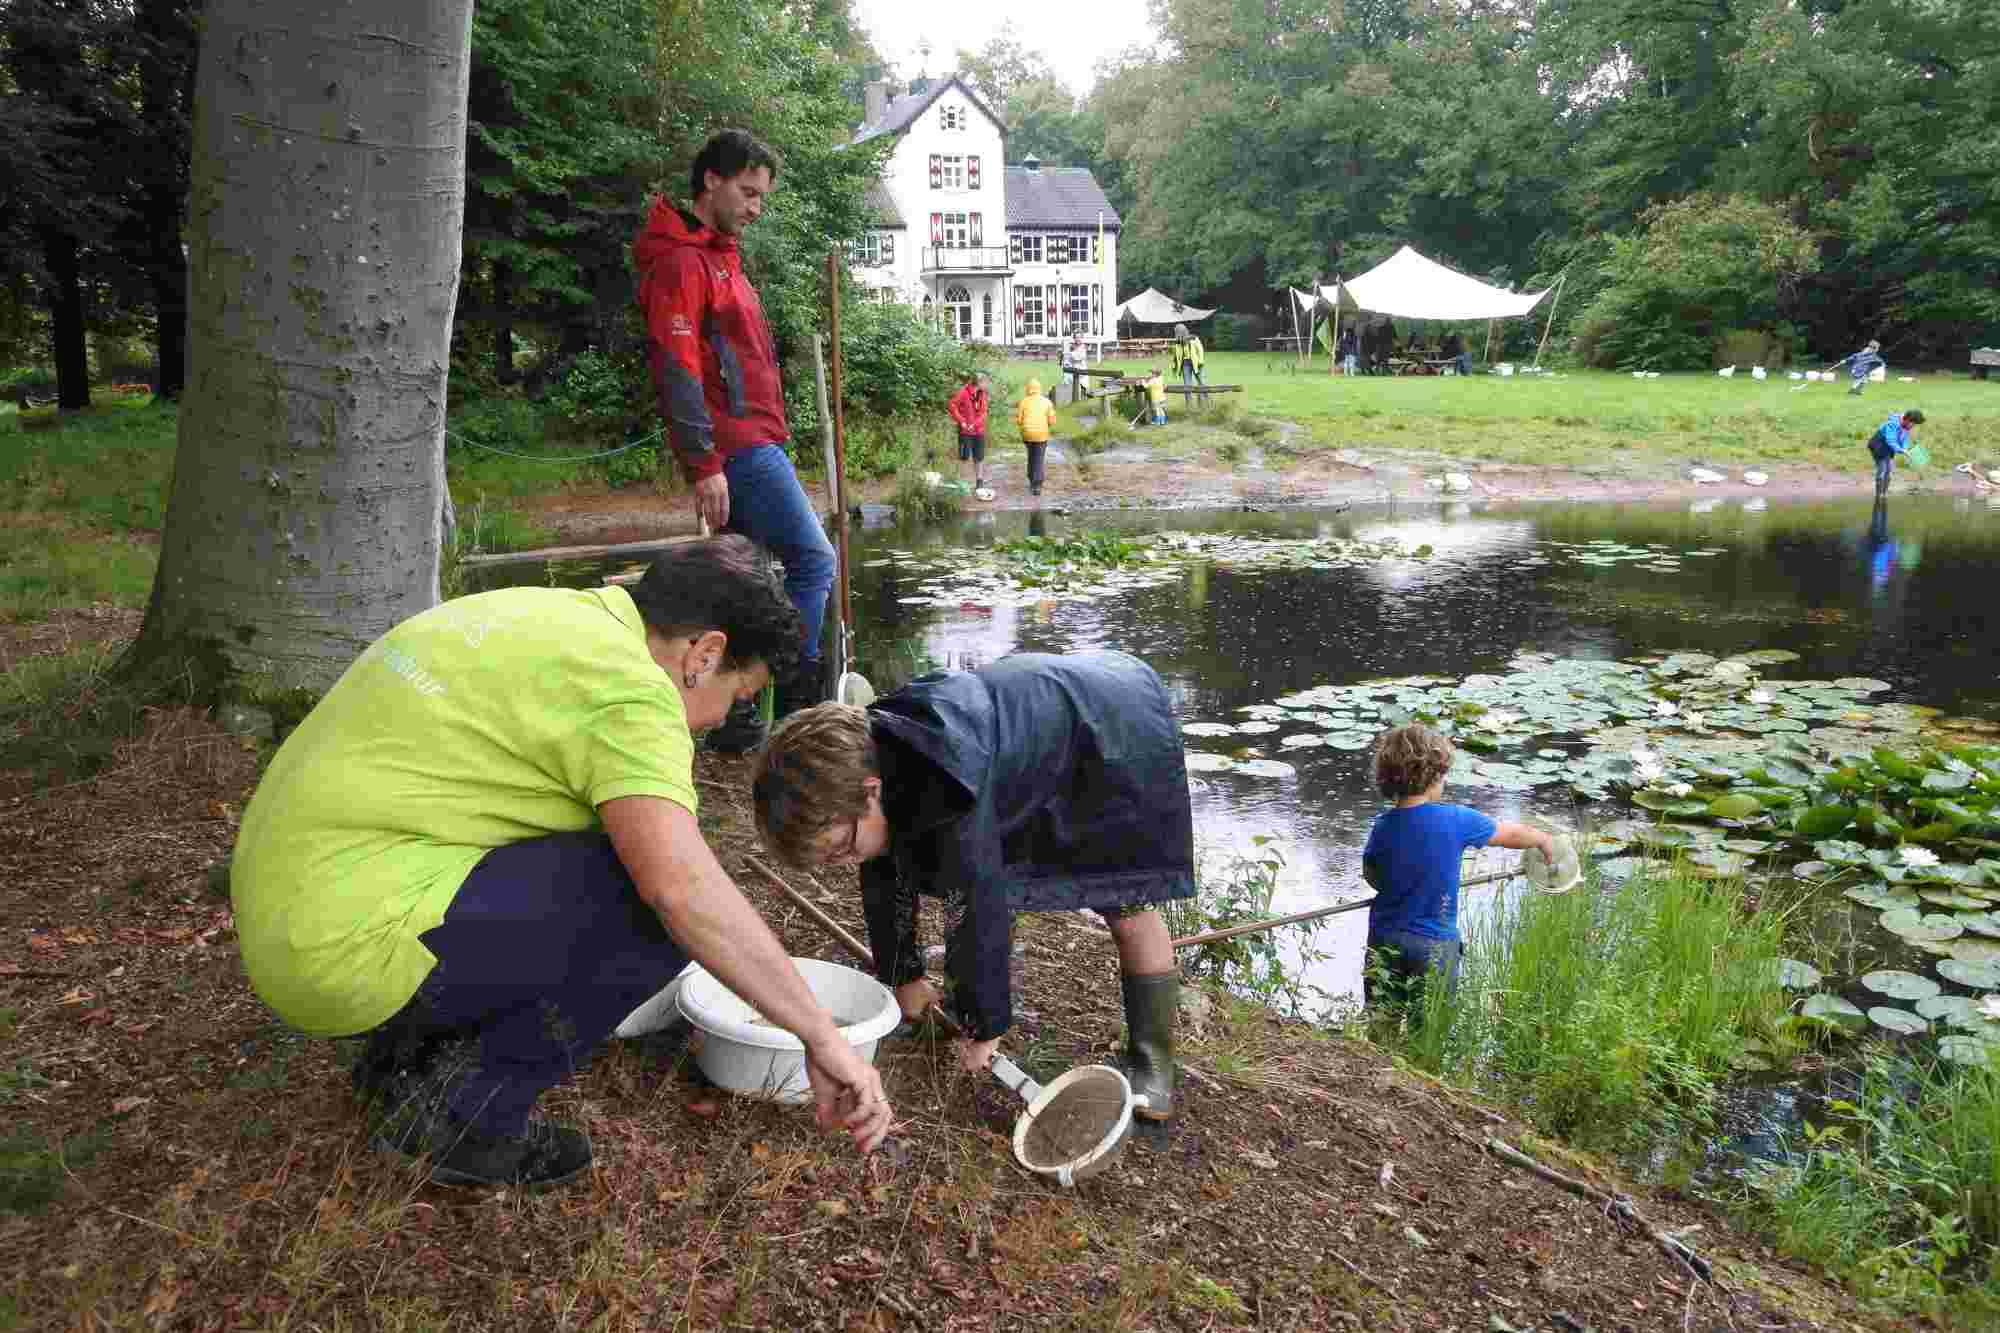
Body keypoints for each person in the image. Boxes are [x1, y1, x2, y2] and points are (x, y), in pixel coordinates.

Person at [230, 537, 894, 1189]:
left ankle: (402, 1062)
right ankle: (466, 1118)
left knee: (605, 853)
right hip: (332, 947)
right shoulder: (633, 695)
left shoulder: (570, 618)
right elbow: (681, 889)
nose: (721, 720)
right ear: (706, 653)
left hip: (292, 896)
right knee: (650, 908)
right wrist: (819, 1034)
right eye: (738, 696)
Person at [749, 651, 1195, 1122]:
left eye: (840, 847)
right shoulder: (875, 762)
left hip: (1113, 733)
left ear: (871, 791)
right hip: (1036, 726)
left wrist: (983, 1024)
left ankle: (1154, 1065)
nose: (843, 861)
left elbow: (979, 900)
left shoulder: (946, 780)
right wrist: (903, 976)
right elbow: (884, 868)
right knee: (897, 852)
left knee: (1127, 901)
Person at [635, 127, 834, 751]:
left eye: (761, 198)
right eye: (747, 193)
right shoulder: (681, 260)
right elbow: (677, 366)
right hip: (735, 446)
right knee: (814, 560)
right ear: (710, 182)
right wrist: (703, 463)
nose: (754, 208)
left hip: (750, 438)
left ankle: (733, 715)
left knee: (743, 583)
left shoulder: (720, 256)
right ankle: (785, 693)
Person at [1361, 723, 1556, 1013]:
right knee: (1428, 1027)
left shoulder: (1382, 826)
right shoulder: (1457, 819)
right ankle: (1423, 1058)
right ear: (1434, 775)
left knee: (1382, 1019)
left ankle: (1378, 1057)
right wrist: (1541, 839)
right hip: (1434, 946)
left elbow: (1372, 875)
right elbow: (1510, 835)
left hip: (1384, 939)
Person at [1865, 408, 1924, 500]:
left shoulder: (1906, 425)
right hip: (1879, 444)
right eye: (1913, 424)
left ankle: (1883, 494)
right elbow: (1890, 440)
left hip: (1890, 446)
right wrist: (1902, 450)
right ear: (1907, 420)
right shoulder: (1892, 424)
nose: (1913, 426)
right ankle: (1878, 495)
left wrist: (1905, 448)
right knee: (1882, 469)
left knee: (1889, 469)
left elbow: (1905, 438)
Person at [1014, 376, 1057, 497]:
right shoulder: (1047, 402)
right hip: (1041, 434)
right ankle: (1037, 485)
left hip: (1027, 434)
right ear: (1039, 389)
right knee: (1038, 457)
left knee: (1031, 455)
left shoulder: (1023, 402)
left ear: (1028, 389)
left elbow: (1018, 420)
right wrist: (1047, 424)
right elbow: (1052, 421)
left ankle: (1031, 478)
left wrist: (1023, 424)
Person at [947, 371, 989, 492]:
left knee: (979, 457)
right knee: (964, 457)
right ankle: (963, 483)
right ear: (979, 382)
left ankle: (979, 482)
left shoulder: (983, 394)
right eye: (985, 382)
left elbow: (984, 412)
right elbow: (952, 405)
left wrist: (975, 424)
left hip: (978, 431)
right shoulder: (964, 393)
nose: (987, 384)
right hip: (965, 432)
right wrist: (962, 421)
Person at [1169, 322, 1208, 408]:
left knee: (1202, 382)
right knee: (1187, 385)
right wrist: (1174, 365)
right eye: (1176, 332)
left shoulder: (1194, 338)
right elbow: (1176, 355)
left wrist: (1200, 361)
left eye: (1178, 331)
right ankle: (1189, 405)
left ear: (1184, 331)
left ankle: (1207, 402)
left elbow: (1200, 350)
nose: (1177, 333)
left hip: (1196, 363)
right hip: (1185, 364)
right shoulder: (1177, 342)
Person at [1061, 331, 1089, 406]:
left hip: (1081, 372)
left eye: (1079, 337)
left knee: (1081, 385)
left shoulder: (1083, 347)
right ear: (1074, 338)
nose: (1078, 339)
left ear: (1082, 338)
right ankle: (1068, 399)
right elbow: (1066, 359)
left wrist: (1069, 354)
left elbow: (1077, 357)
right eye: (1076, 337)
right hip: (1072, 371)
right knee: (1067, 378)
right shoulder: (1072, 347)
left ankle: (1081, 400)